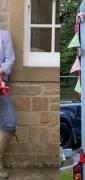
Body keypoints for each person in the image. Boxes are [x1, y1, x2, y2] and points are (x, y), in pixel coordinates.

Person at [0, 30, 16, 178]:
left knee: (9, 122)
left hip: (0, 84)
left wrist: (1, 70)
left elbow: (10, 58)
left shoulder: (4, 34)